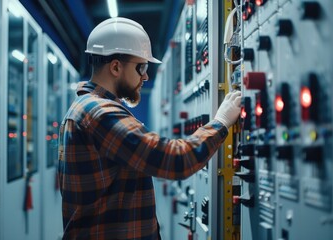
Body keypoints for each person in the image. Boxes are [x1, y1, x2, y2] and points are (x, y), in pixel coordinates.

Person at [57, 17, 241, 240]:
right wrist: (221, 122)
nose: (145, 76)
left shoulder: (86, 108)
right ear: (115, 67)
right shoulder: (99, 113)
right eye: (141, 67)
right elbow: (176, 160)